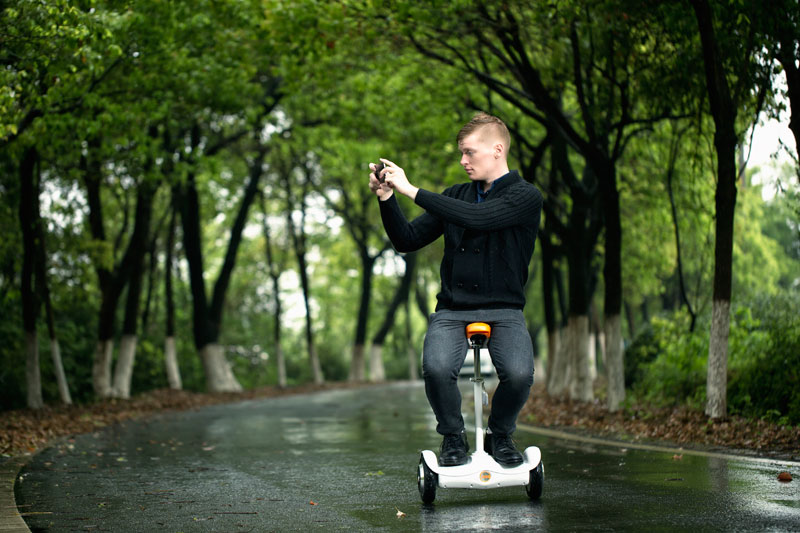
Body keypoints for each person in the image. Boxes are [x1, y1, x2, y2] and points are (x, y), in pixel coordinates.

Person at [368, 112, 543, 467]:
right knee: (435, 367)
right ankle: (452, 436)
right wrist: (388, 199)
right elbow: (407, 239)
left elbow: (479, 218)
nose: (463, 161)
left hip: (505, 307)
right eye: (461, 153)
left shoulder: (526, 196)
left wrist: (413, 190)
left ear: (497, 150)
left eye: (469, 152)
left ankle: (501, 434)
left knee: (521, 374)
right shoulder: (455, 195)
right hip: (453, 308)